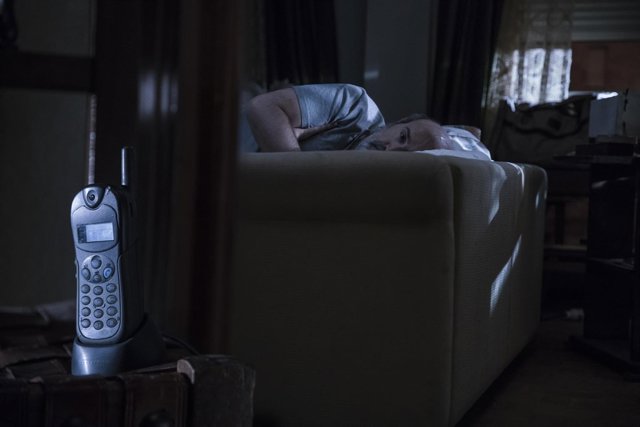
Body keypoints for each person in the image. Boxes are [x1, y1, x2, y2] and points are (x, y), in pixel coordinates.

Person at [239, 83, 491, 160]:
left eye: (406, 156)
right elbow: (262, 107)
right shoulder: (356, 106)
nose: (391, 150)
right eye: (403, 137)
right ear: (398, 122)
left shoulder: (370, 185)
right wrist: (299, 173)